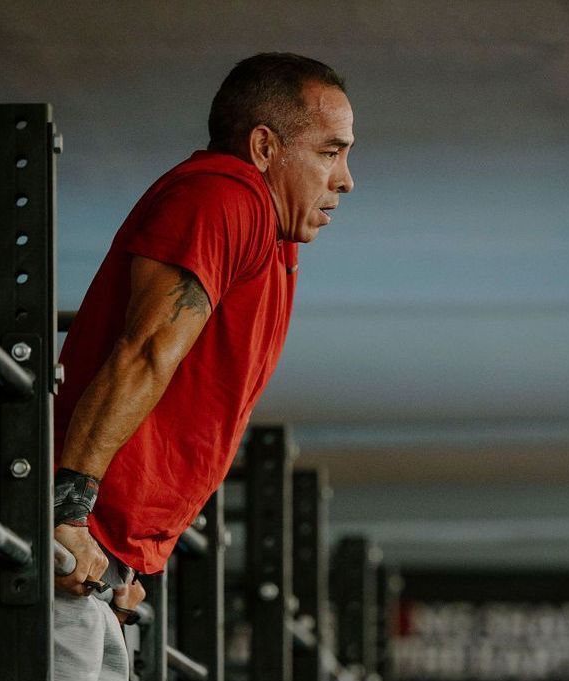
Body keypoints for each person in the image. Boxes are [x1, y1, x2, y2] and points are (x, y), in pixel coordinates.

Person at [50, 52, 355, 680]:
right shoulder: (224, 196)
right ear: (265, 147)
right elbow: (145, 350)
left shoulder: (271, 239)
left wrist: (134, 562)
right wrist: (64, 509)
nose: (345, 179)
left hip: (100, 558)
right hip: (60, 535)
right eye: (329, 153)